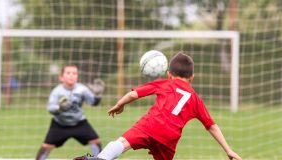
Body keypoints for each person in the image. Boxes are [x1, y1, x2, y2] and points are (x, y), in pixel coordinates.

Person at [75, 52, 242, 160]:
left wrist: (119, 104)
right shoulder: (195, 99)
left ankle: (101, 159)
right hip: (169, 138)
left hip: (150, 125)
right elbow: (212, 126)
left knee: (122, 142)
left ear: (169, 74)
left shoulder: (164, 84)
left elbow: (134, 94)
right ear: (192, 77)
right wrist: (228, 150)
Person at [36, 65, 105, 160]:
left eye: (74, 73)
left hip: (79, 123)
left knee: (96, 141)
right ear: (61, 77)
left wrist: (97, 96)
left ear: (77, 76)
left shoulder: (82, 89)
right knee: (46, 146)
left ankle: (98, 159)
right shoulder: (57, 91)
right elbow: (50, 108)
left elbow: (93, 103)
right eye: (68, 73)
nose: (71, 75)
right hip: (60, 124)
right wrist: (59, 107)